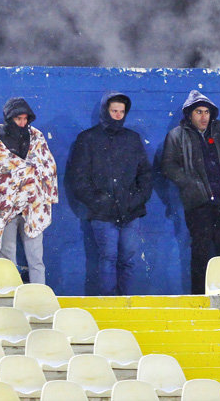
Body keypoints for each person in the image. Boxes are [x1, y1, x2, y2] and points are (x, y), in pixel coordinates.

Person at [66, 93, 152, 295]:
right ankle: (109, 304)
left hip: (130, 211)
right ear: (105, 111)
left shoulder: (132, 139)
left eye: (122, 112)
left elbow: (145, 174)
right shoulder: (88, 139)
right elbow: (78, 179)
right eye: (114, 111)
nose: (118, 115)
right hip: (103, 213)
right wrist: (100, 202)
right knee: (108, 258)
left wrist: (136, 199)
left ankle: (127, 304)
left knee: (128, 259)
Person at [161, 90, 220, 295]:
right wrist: (192, 186)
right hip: (199, 205)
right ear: (189, 114)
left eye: (206, 112)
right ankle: (201, 298)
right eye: (199, 112)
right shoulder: (177, 136)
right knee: (201, 252)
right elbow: (169, 166)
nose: (203, 116)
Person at [0, 97, 58, 284]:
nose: (22, 123)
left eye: (25, 119)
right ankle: (10, 297)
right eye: (18, 119)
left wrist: (38, 185)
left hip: (33, 205)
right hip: (5, 206)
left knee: (36, 258)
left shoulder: (36, 136)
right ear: (9, 118)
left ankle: (38, 298)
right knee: (7, 257)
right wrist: (23, 171)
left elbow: (46, 164)